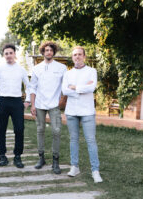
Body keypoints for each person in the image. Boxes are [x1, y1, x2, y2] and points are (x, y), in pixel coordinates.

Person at [62, 46, 103, 183]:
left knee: (91, 140)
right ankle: (75, 166)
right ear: (72, 57)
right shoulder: (68, 74)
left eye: (79, 54)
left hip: (87, 111)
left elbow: (92, 87)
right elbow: (65, 91)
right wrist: (81, 88)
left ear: (84, 56)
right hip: (71, 111)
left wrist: (74, 87)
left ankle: (95, 170)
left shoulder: (92, 71)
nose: (77, 57)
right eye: (74, 55)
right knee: (73, 139)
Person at [0, 44, 30, 168]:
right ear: (4, 55)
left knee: (19, 129)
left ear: (14, 54)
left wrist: (28, 100)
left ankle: (17, 156)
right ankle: (2, 155)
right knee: (1, 129)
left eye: (10, 53)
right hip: (2, 101)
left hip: (17, 102)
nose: (8, 55)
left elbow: (28, 86)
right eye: (6, 53)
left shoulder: (21, 69)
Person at [30, 41, 67, 174]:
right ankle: (41, 158)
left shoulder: (61, 68)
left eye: (51, 50)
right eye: (46, 50)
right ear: (43, 52)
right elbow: (32, 87)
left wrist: (62, 101)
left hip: (54, 105)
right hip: (39, 104)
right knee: (40, 130)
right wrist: (33, 104)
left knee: (56, 131)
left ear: (54, 52)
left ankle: (55, 161)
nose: (49, 52)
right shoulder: (36, 68)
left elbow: (66, 86)